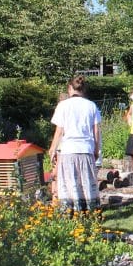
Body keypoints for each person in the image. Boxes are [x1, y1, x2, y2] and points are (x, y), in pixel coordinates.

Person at [48, 75, 101, 215]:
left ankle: (69, 212)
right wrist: (96, 150)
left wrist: (53, 149)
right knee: (87, 183)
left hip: (68, 150)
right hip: (85, 149)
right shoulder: (91, 106)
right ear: (83, 89)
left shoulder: (63, 105)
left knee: (69, 183)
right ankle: (89, 212)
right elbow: (96, 131)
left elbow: (59, 131)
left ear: (70, 88)